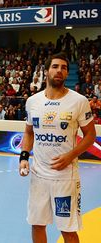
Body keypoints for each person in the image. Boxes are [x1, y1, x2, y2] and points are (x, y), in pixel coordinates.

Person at [19, 53, 96, 243]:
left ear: (67, 73)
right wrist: (23, 157)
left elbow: (90, 135)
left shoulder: (79, 101)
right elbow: (29, 132)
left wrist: (71, 155)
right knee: (37, 225)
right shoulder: (33, 101)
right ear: (46, 71)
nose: (59, 70)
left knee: (67, 230)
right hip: (38, 176)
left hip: (65, 178)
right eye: (55, 66)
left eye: (63, 67)